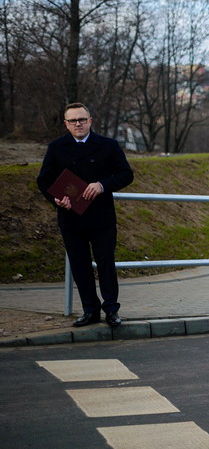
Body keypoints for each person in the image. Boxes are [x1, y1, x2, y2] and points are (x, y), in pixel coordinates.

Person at [37, 103, 134, 328]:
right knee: (80, 267)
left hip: (102, 217)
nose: (78, 124)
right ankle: (90, 310)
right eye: (73, 121)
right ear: (66, 124)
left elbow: (126, 174)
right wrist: (56, 199)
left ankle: (111, 310)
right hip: (71, 217)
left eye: (82, 119)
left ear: (90, 121)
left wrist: (102, 185)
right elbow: (44, 180)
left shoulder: (108, 146)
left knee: (106, 265)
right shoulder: (56, 147)